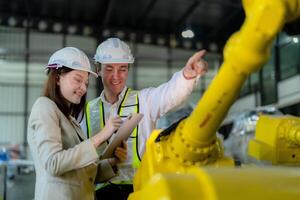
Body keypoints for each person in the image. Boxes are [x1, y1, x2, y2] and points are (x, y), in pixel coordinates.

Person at [81, 37, 208, 199]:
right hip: (101, 193)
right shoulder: (86, 111)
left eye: (122, 69)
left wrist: (187, 76)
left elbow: (170, 94)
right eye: (109, 69)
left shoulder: (145, 100)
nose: (116, 76)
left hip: (141, 189)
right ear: (98, 69)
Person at [27, 47, 127, 200]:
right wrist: (101, 136)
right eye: (78, 80)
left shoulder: (70, 120)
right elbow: (54, 164)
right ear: (58, 77)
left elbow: (81, 174)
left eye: (86, 83)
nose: (83, 88)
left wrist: (113, 162)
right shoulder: (44, 106)